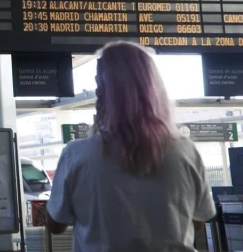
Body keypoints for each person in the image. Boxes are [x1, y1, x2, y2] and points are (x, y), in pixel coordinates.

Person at [46, 41, 215, 251]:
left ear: (103, 92)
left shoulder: (77, 155)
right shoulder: (186, 151)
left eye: (98, 84)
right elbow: (198, 219)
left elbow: (56, 224)